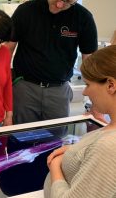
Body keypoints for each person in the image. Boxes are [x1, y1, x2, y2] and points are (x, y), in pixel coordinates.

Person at [7, 0, 98, 124]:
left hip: (59, 91)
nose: (60, 4)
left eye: (68, 2)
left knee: (56, 141)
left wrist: (96, 104)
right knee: (20, 140)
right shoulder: (26, 11)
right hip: (25, 89)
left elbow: (90, 63)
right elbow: (7, 50)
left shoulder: (84, 18)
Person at [44, 45, 116, 198]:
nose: (85, 91)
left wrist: (55, 165)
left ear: (111, 85)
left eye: (88, 84)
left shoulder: (109, 147)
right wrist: (76, 151)